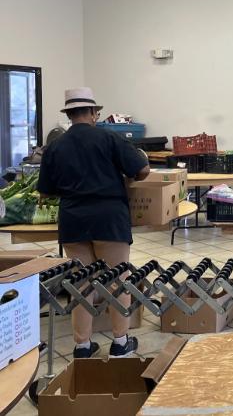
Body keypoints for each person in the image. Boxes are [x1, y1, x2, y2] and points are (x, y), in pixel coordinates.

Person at [37, 87, 150, 358]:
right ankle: (120, 343)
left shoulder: (55, 147)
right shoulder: (108, 138)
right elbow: (142, 169)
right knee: (117, 279)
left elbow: (45, 191)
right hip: (109, 218)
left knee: (81, 283)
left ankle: (82, 346)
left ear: (69, 114)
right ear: (91, 113)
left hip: (73, 221)